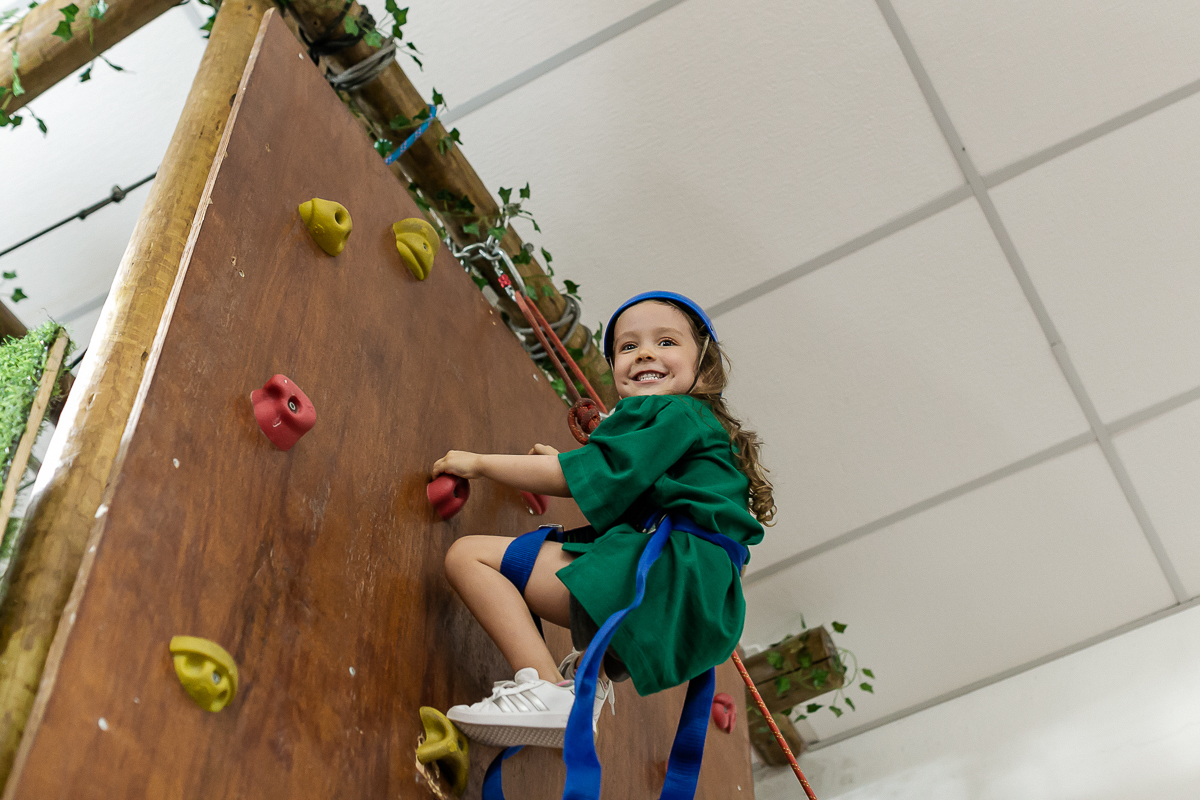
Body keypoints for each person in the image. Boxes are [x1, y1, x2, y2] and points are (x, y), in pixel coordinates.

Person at [431, 291, 775, 749]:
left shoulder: (673, 411)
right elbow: (623, 493)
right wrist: (578, 465)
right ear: (614, 365)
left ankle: (549, 693)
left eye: (666, 341)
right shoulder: (701, 433)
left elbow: (574, 479)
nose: (646, 352)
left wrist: (479, 463)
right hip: (695, 602)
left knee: (469, 557)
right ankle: (583, 686)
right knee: (548, 567)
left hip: (664, 582)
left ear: (704, 364)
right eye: (628, 347)